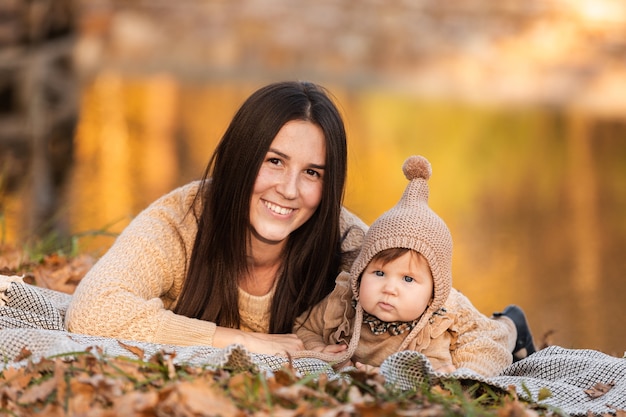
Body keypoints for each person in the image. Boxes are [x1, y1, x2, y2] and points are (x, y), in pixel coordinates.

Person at [65, 81, 368, 355]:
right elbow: (93, 310)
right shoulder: (180, 221)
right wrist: (245, 341)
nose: (289, 190)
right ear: (240, 158)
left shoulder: (348, 240)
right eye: (274, 161)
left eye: (312, 173)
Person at [293, 155, 536, 377]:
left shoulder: (439, 321)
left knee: (501, 335)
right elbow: (303, 327)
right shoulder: (343, 302)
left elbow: (469, 357)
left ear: (433, 292)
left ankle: (514, 322)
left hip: (485, 329)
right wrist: (321, 349)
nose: (389, 288)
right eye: (379, 273)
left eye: (408, 279)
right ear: (360, 272)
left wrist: (462, 374)